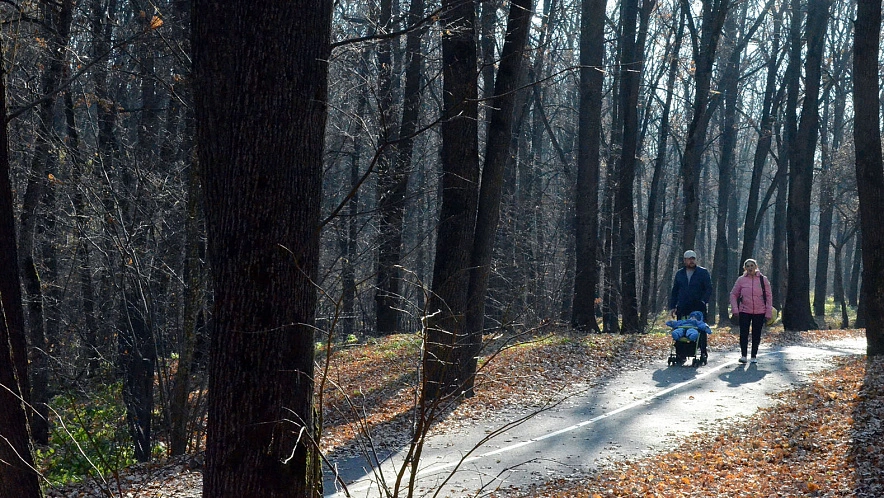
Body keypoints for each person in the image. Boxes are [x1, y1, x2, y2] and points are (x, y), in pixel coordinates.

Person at [669, 250, 712, 359]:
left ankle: (702, 351)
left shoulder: (703, 272)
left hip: (698, 306)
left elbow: (709, 288)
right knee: (681, 328)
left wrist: (703, 301)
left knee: (700, 329)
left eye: (693, 258)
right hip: (683, 306)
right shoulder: (679, 274)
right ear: (684, 260)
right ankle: (680, 353)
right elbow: (675, 291)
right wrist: (672, 307)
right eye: (689, 258)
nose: (691, 260)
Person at [729, 258, 774, 364]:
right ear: (745, 268)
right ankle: (743, 355)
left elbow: (768, 296)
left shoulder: (763, 279)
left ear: (756, 267)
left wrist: (768, 312)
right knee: (743, 333)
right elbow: (733, 294)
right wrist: (735, 309)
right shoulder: (741, 280)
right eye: (748, 266)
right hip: (744, 310)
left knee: (756, 334)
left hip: (760, 311)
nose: (750, 268)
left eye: (752, 266)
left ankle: (753, 356)